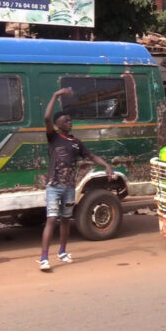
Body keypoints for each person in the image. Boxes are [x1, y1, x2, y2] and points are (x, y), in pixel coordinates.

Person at [38, 87, 114, 272]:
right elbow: (47, 117)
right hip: (54, 186)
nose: (69, 123)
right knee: (51, 220)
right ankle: (43, 258)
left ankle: (62, 252)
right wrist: (55, 95)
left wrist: (106, 165)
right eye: (65, 121)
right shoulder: (53, 137)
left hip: (70, 188)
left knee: (65, 220)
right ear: (58, 125)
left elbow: (90, 156)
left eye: (70, 120)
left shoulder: (75, 142)